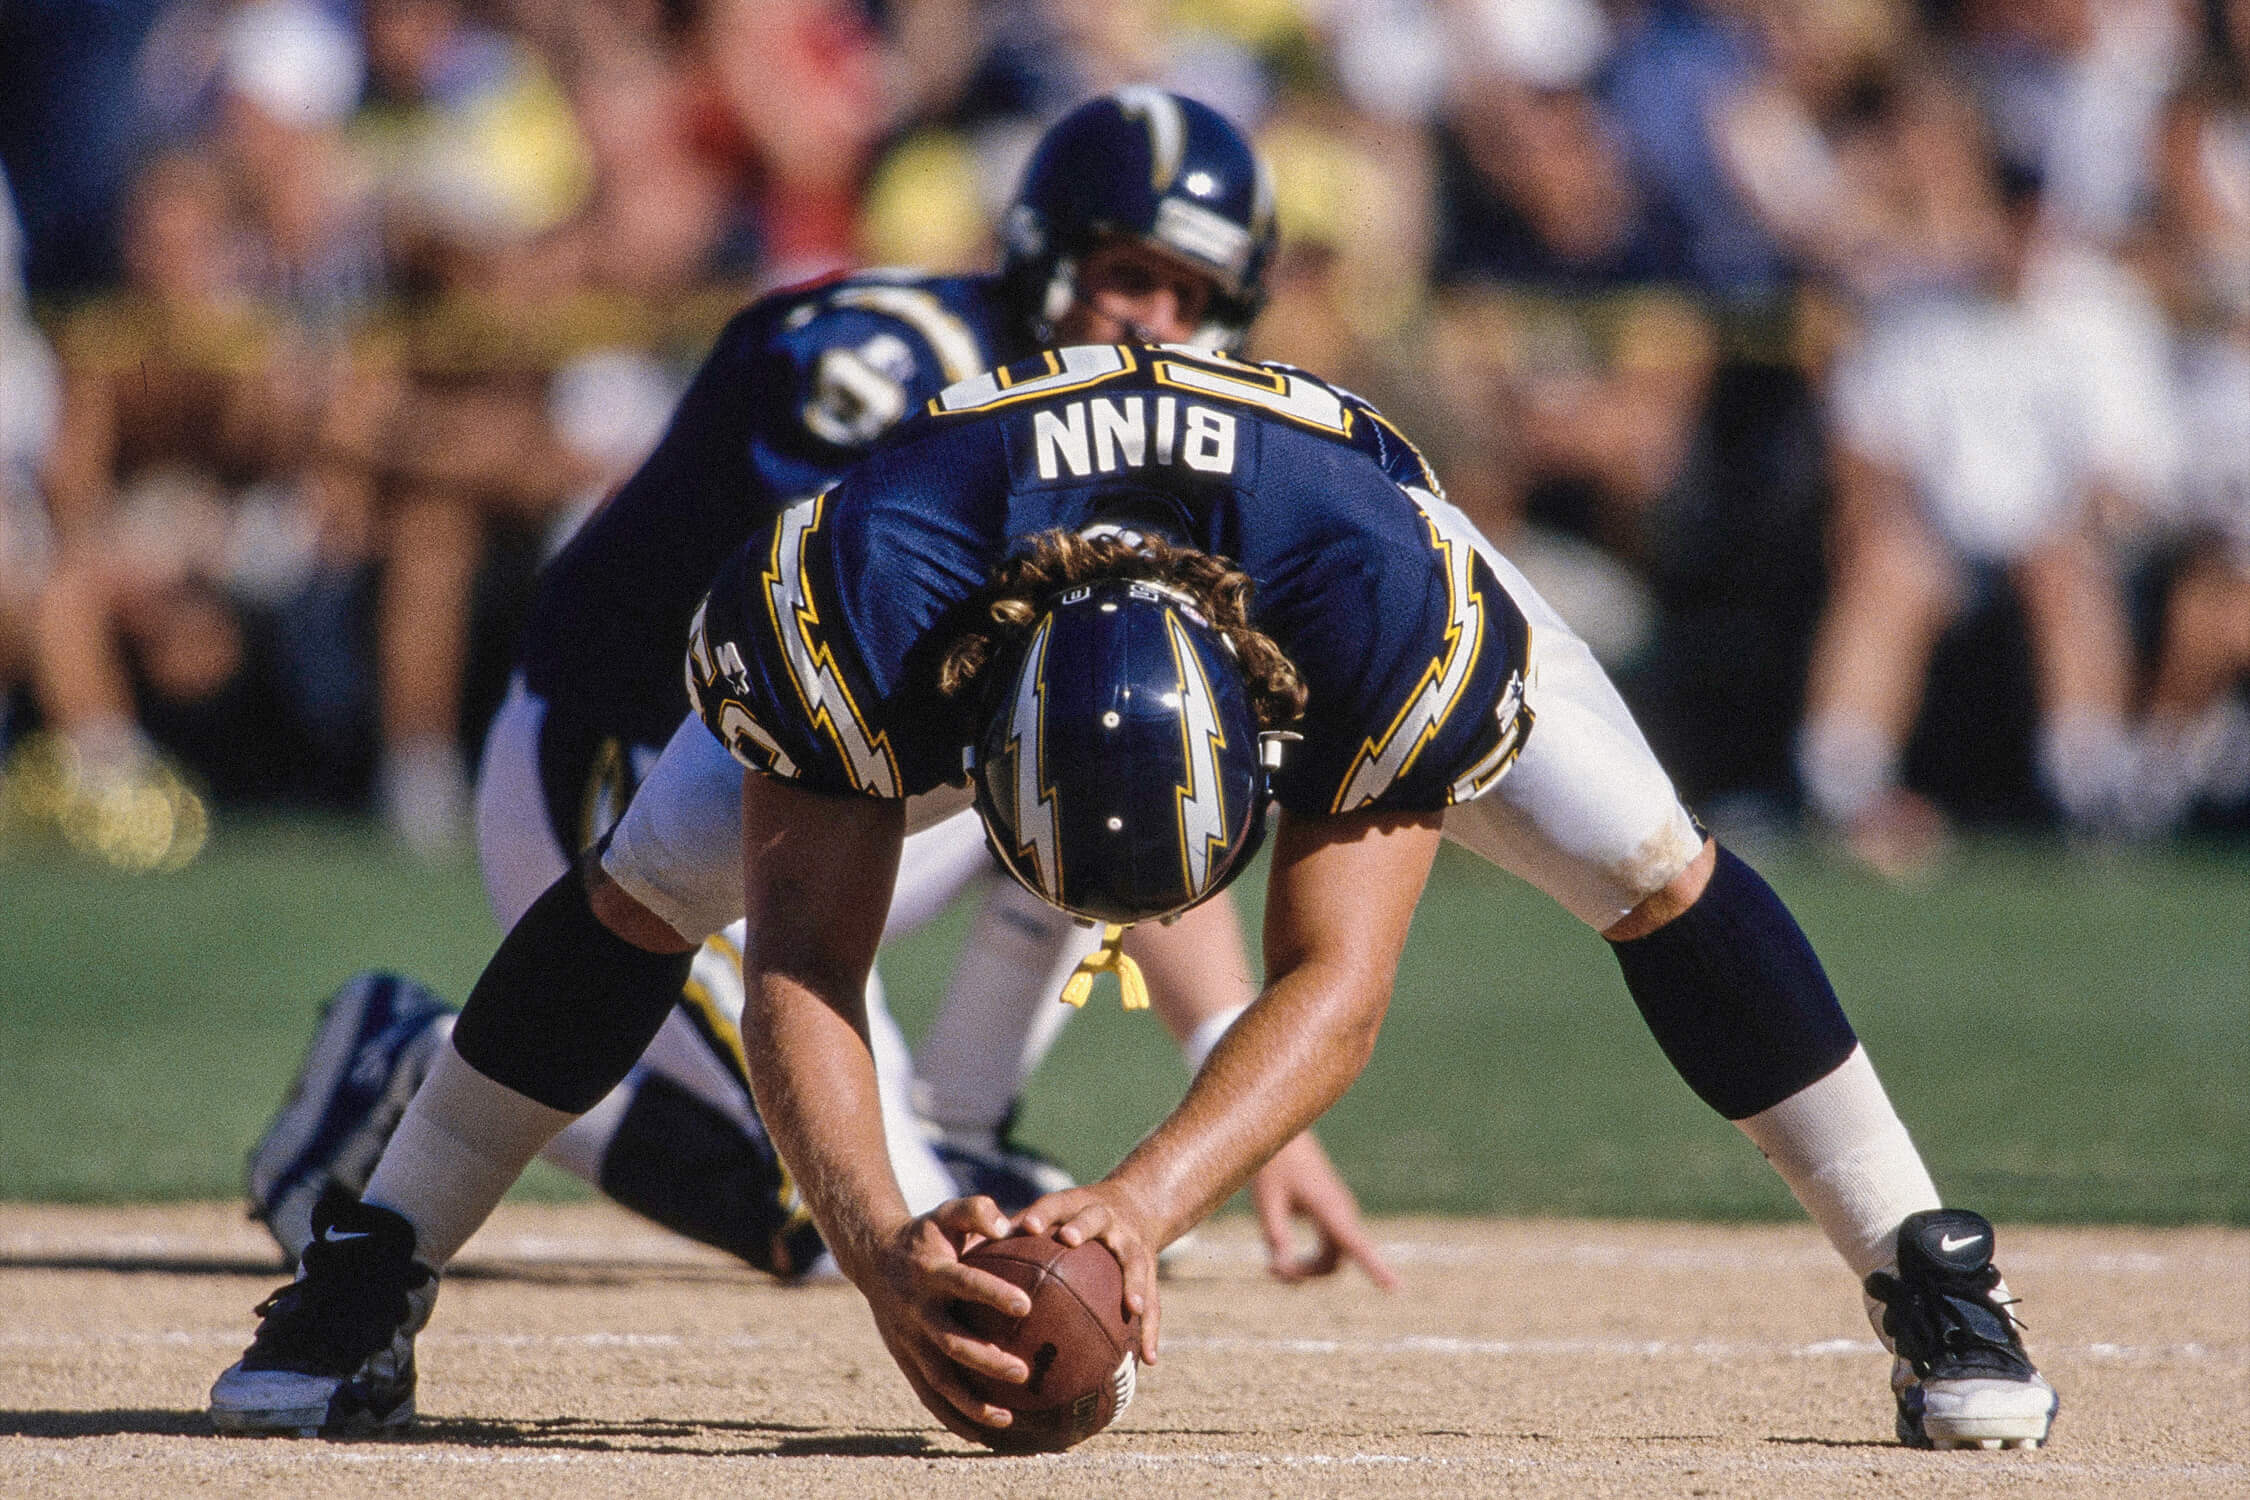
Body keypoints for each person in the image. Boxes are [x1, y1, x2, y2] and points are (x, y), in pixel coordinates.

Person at [211, 340, 2058, 1452]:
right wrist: (877, 1242)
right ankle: (368, 1266)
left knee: (1652, 869)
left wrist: (1143, 1204)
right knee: (637, 894)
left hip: (1327, 536)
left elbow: (1334, 982)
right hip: (964, 580)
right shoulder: (864, 604)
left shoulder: (1376, 612)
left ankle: (1928, 1270)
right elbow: (802, 970)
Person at [239, 89, 1388, 1289]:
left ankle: (957, 1122)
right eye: (1128, 276)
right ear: (1045, 251)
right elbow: (795, 679)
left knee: (1108, 741)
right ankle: (411, 1063)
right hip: (644, 776)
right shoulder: (886, 368)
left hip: (852, 797)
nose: (1155, 323)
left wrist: (1248, 1094)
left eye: (1191, 298)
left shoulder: (1157, 447)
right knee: (838, 1210)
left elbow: (1140, 779)